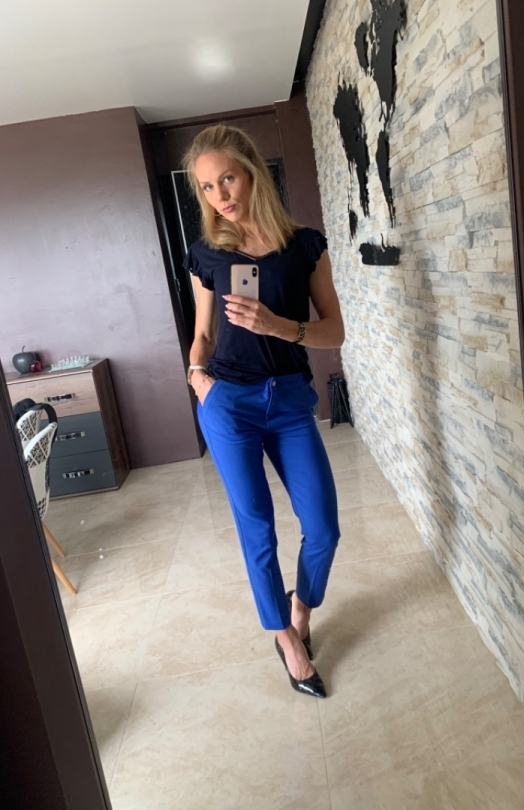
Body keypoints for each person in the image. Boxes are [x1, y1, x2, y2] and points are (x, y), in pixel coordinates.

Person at [182, 124, 344, 698]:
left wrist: (278, 326)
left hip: (290, 401)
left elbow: (334, 332)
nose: (219, 195)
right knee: (257, 527)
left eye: (226, 178)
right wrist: (197, 376)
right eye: (206, 187)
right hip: (229, 403)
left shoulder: (304, 245)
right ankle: (285, 638)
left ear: (251, 171)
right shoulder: (207, 253)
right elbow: (203, 335)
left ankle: (301, 607)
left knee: (322, 527)